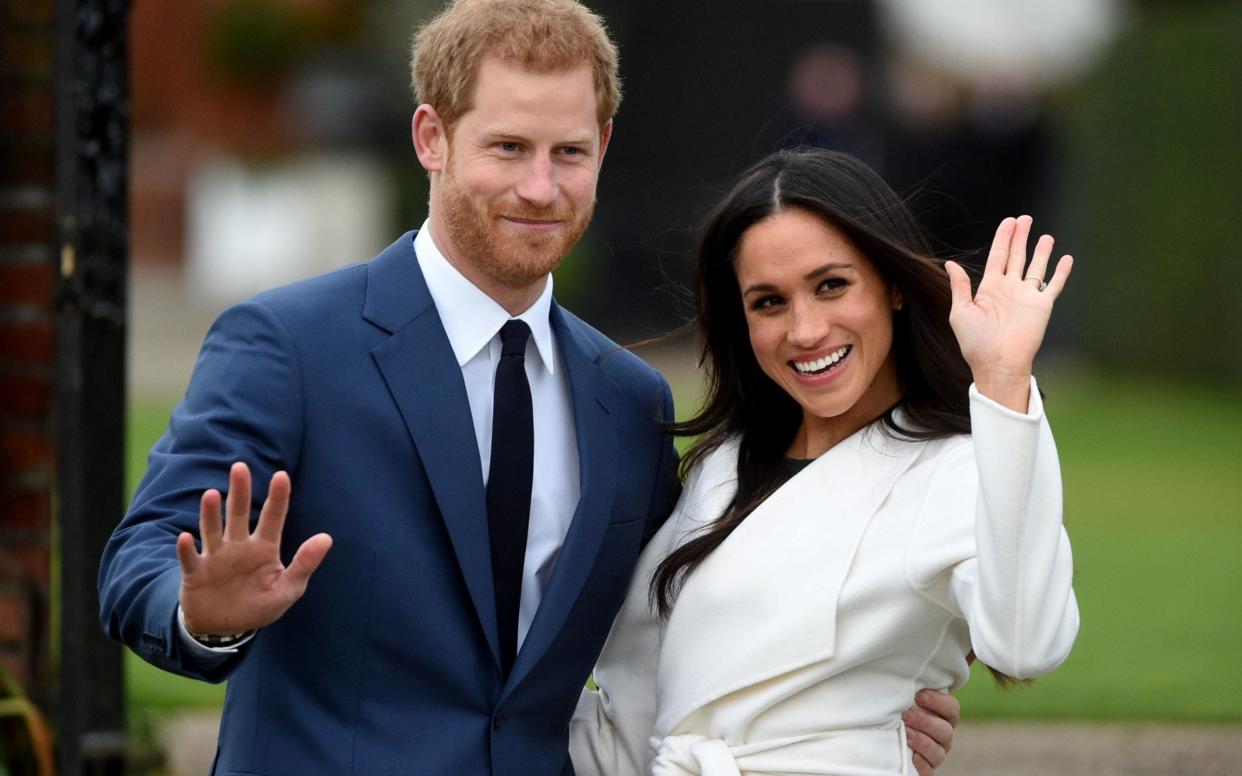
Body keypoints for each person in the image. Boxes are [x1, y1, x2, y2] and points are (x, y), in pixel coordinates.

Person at [98, 2, 959, 773]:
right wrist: (203, 615)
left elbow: (688, 622)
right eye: (507, 147)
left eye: (568, 152)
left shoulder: (630, 401)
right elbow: (140, 558)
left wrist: (853, 708)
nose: (540, 188)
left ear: (604, 148)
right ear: (432, 137)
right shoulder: (289, 344)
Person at [570, 148, 1080, 776]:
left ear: (891, 284)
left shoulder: (956, 468)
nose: (806, 330)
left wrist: (1003, 380)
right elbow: (639, 716)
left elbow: (1027, 643)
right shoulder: (720, 469)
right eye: (768, 302)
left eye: (831, 285)